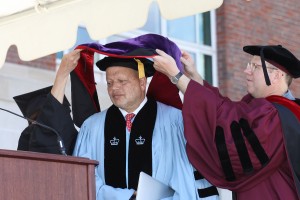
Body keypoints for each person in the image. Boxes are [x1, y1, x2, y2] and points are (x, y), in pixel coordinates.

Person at [152, 45, 300, 200]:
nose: (247, 71)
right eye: (248, 65)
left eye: (255, 66)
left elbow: (227, 125)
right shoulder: (262, 108)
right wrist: (193, 75)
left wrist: (176, 76)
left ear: (277, 75)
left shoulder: (276, 116)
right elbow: (226, 109)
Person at [72, 55, 218, 200]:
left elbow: (188, 178)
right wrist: (124, 197)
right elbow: (82, 178)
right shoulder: (92, 127)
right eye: (109, 82)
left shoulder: (175, 121)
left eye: (122, 81)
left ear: (142, 83)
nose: (114, 88)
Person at [13, 49, 82, 154]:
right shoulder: (29, 134)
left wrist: (63, 73)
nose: (38, 124)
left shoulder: (70, 133)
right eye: (33, 120)